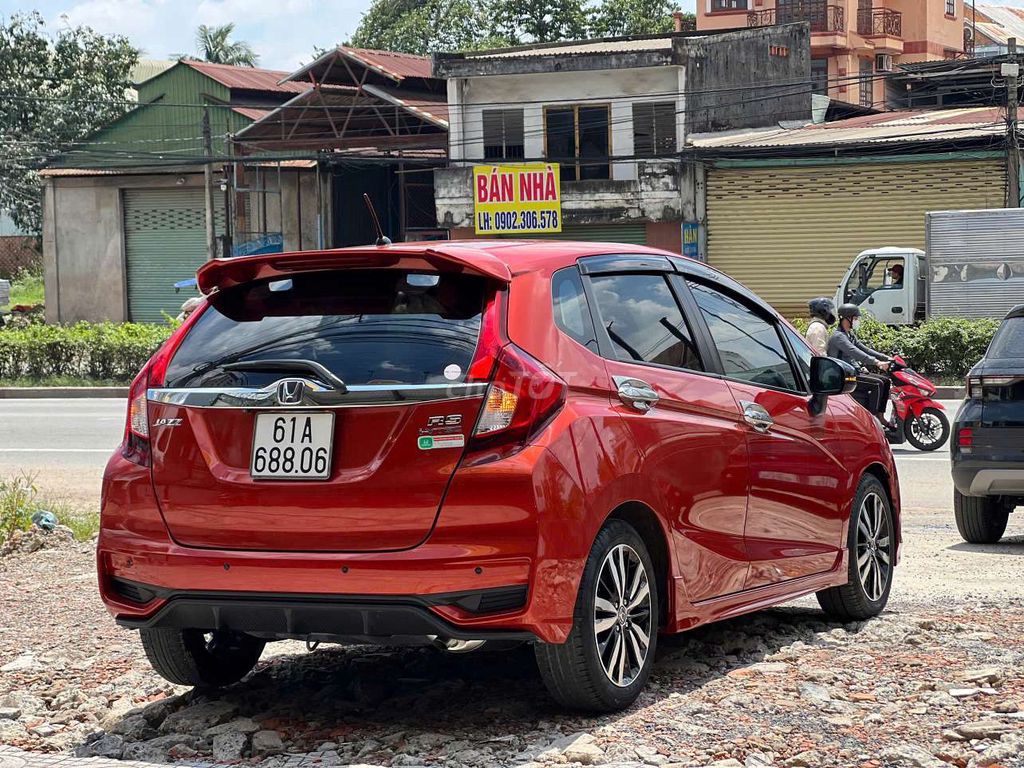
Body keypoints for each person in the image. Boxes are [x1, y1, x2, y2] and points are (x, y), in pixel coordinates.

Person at [827, 303, 893, 423]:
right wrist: (876, 362)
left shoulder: (849, 335)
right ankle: (872, 420)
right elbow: (856, 352)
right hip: (844, 377)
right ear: (846, 319)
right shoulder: (839, 337)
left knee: (886, 381)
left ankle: (881, 416)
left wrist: (886, 357)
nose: (857, 321)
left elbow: (864, 349)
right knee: (877, 384)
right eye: (855, 318)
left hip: (853, 372)